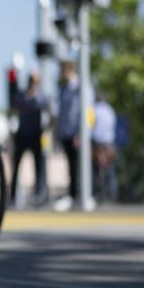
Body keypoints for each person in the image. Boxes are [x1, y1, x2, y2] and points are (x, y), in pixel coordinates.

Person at [9, 71, 50, 206]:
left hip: (36, 135)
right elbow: (14, 104)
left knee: (38, 166)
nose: (33, 83)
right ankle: (12, 195)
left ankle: (38, 193)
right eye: (32, 80)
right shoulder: (21, 96)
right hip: (22, 134)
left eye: (36, 81)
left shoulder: (42, 97)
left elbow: (46, 108)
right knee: (16, 165)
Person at [57, 59, 81, 204]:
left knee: (77, 165)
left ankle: (77, 195)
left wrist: (79, 133)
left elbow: (83, 112)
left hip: (75, 132)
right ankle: (72, 194)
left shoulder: (79, 87)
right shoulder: (64, 88)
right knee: (71, 166)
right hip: (66, 131)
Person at [92, 91, 118, 202]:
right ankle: (111, 194)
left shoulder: (94, 110)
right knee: (109, 169)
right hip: (109, 143)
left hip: (98, 143)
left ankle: (98, 194)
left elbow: (91, 127)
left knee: (95, 170)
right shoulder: (110, 111)